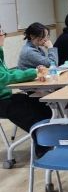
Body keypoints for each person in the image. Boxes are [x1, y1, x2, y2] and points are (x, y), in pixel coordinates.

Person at [0, 23, 52, 156]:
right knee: (30, 116)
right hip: (2, 100)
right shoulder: (28, 51)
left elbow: (9, 73)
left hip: (6, 96)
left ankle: (48, 141)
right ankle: (43, 151)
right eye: (2, 34)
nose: (3, 36)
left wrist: (32, 72)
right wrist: (33, 72)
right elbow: (4, 78)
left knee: (41, 104)